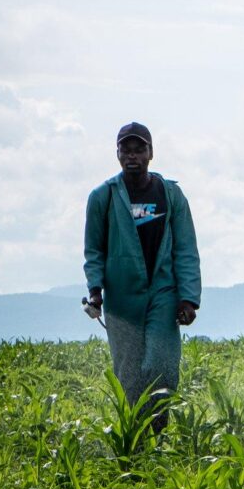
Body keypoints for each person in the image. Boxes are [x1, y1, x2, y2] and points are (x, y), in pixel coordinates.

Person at [83, 122, 201, 431]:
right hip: (122, 300)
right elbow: (93, 250)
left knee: (161, 365)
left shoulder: (170, 194)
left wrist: (189, 298)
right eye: (126, 150)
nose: (132, 156)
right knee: (130, 374)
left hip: (162, 293)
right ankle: (136, 442)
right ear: (118, 154)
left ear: (151, 153)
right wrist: (95, 290)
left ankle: (158, 430)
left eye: (139, 149)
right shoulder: (103, 197)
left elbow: (186, 247)